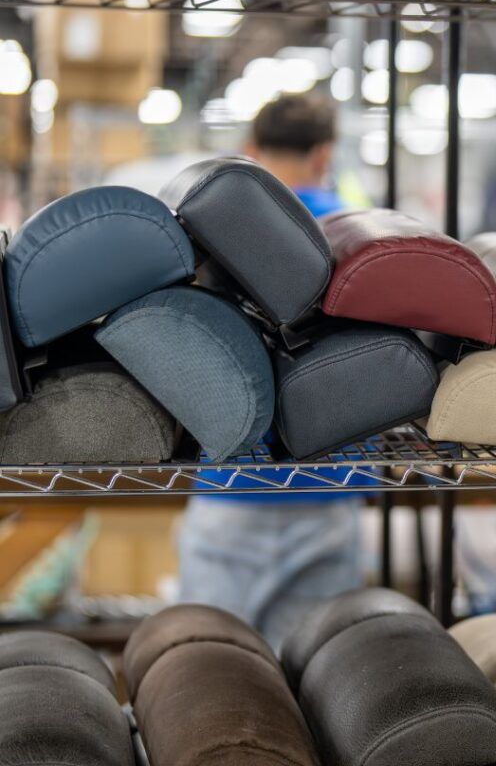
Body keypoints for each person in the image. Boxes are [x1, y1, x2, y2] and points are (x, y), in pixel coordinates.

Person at [177, 94, 363, 651]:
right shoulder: (355, 232)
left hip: (231, 488)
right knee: (318, 675)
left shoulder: (214, 235)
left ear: (250, 150)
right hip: (329, 491)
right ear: (324, 154)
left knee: (214, 671)